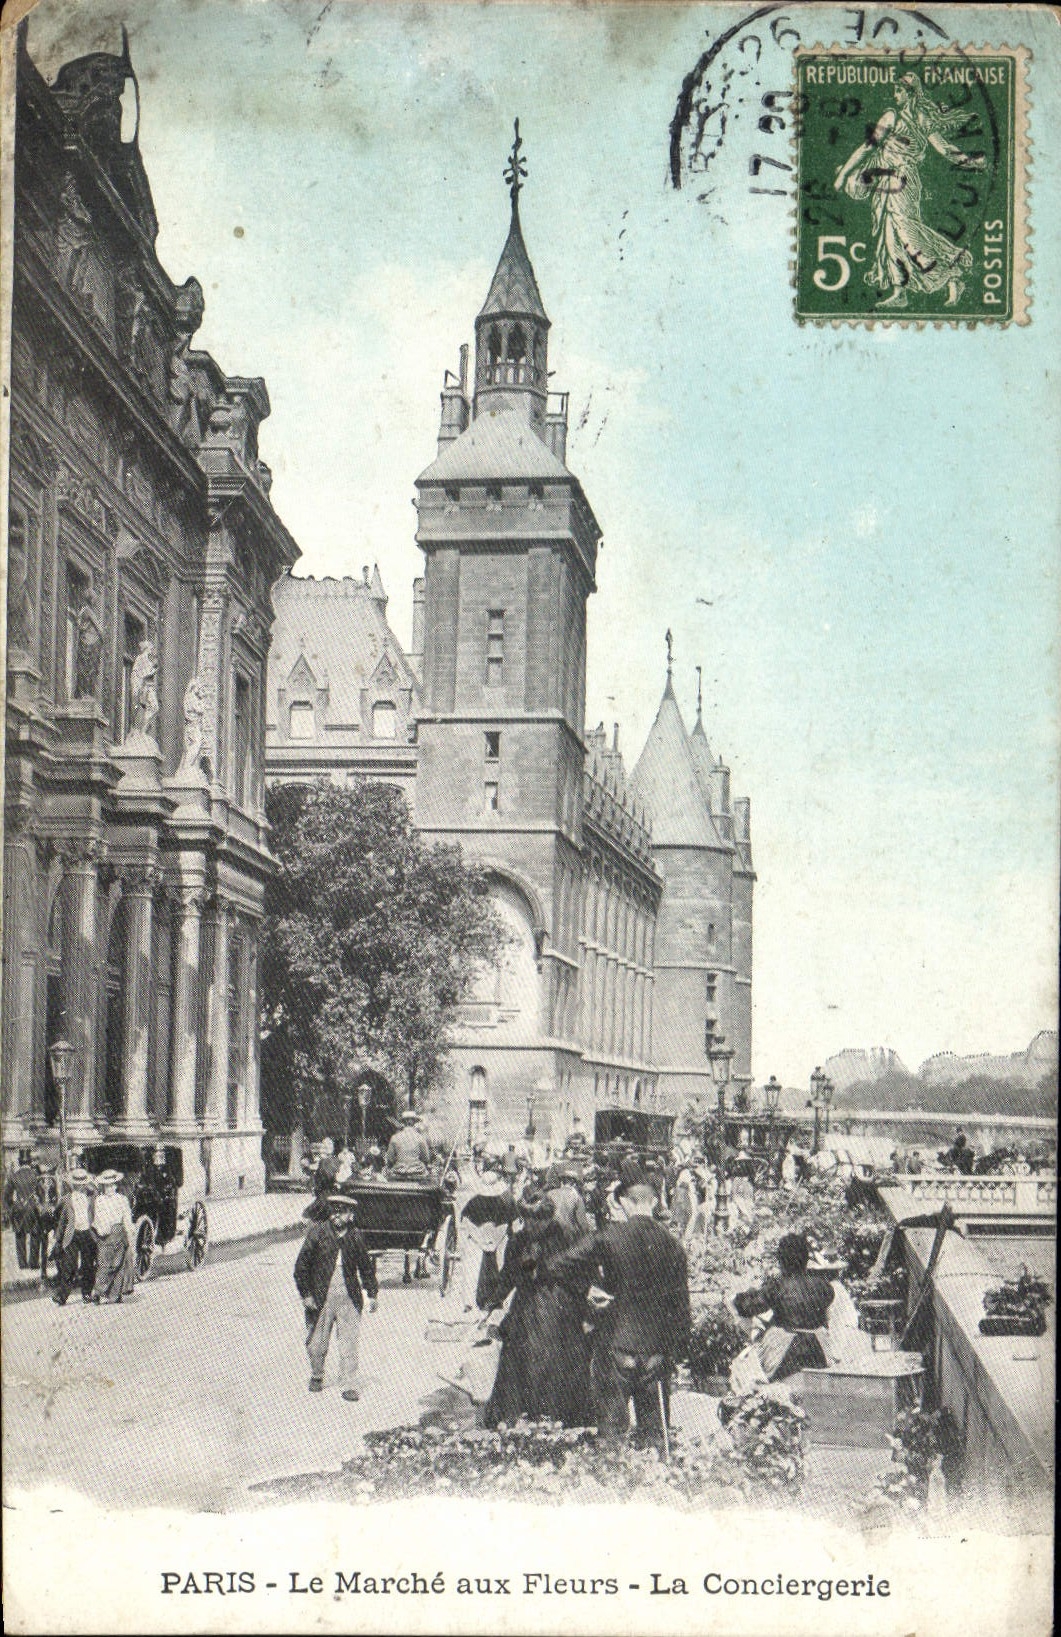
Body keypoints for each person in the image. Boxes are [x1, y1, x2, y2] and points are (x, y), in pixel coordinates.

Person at [553, 1181, 691, 1448]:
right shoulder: (673, 1245)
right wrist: (676, 1350)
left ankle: (610, 1478)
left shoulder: (609, 1237)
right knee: (654, 1436)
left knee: (611, 1433)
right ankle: (655, 1482)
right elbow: (682, 1307)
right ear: (653, 1202)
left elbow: (560, 1264)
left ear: (623, 1202)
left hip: (617, 1342)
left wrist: (586, 1290)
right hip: (656, 1349)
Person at [833, 71, 985, 309]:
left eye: (899, 90)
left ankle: (950, 274)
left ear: (910, 93)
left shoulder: (917, 118)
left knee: (906, 231)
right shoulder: (892, 116)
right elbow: (869, 146)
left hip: (903, 181)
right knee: (891, 236)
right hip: (886, 179)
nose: (895, 95)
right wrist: (844, 174)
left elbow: (944, 149)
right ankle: (901, 290)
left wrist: (970, 162)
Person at [482, 1190, 592, 1430]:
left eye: (537, 1220)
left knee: (556, 1359)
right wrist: (494, 1300)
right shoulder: (518, 1241)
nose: (531, 1225)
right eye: (526, 1219)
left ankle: (557, 1416)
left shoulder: (567, 1238)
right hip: (527, 1305)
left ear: (548, 1218)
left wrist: (579, 1303)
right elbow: (509, 1275)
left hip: (559, 1305)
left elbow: (584, 1275)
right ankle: (521, 1416)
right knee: (522, 1357)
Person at [294, 1193, 378, 1399]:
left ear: (351, 1215)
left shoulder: (356, 1236)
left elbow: (366, 1267)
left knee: (349, 1341)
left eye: (342, 1212)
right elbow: (301, 1267)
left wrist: (372, 1293)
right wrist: (306, 1295)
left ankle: (348, 1383)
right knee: (317, 1341)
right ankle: (317, 1374)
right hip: (321, 1293)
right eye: (334, 1212)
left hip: (349, 1294)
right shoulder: (318, 1233)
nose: (336, 1216)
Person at [732, 1232, 835, 1381]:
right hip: (818, 1348)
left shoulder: (778, 1285)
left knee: (747, 1369)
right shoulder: (823, 1285)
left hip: (786, 1351)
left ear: (781, 1260)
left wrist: (740, 1297)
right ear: (806, 1259)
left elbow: (749, 1307)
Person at [457, 1160, 516, 1312]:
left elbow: (466, 1221)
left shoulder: (475, 1201)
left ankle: (471, 1301)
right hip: (494, 1238)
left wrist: (483, 1238)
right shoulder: (506, 1199)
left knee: (473, 1262)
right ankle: (493, 1299)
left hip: (485, 1238)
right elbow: (513, 1224)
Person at [52, 1167, 98, 1304]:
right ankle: (62, 1296)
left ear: (85, 1184)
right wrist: (58, 1239)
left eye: (81, 1184)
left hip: (87, 1234)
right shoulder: (67, 1199)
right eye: (76, 1185)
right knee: (69, 1266)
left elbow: (99, 1214)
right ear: (72, 1185)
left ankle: (87, 1293)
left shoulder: (92, 1197)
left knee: (88, 1265)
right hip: (72, 1235)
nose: (79, 1187)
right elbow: (62, 1221)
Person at [90, 1170, 136, 1303]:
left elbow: (127, 1218)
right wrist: (101, 1229)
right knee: (105, 1264)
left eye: (111, 1185)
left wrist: (130, 1233)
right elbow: (97, 1217)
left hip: (118, 1233)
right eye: (106, 1186)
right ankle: (97, 1291)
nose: (109, 1188)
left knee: (119, 1264)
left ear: (116, 1185)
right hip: (104, 1234)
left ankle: (115, 1294)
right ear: (103, 1187)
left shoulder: (122, 1199)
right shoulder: (99, 1200)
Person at [6, 1149, 39, 1270]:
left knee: (20, 1235)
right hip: (33, 1208)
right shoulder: (35, 1175)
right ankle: (34, 1263)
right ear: (30, 1162)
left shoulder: (14, 1176)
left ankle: (22, 1264)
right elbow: (40, 1193)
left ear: (19, 1162)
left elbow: (6, 1195)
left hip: (19, 1207)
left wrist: (12, 1207)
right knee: (35, 1235)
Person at [543, 1164, 591, 1247]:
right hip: (568, 1234)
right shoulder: (576, 1197)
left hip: (549, 1233)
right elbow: (582, 1223)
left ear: (562, 1181)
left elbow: (541, 1213)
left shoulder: (550, 1194)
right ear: (574, 1183)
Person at [385, 1111, 431, 1179]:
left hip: (398, 1172)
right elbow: (426, 1159)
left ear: (403, 1122)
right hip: (417, 1172)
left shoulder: (395, 1137)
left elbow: (390, 1159)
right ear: (414, 1122)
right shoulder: (420, 1138)